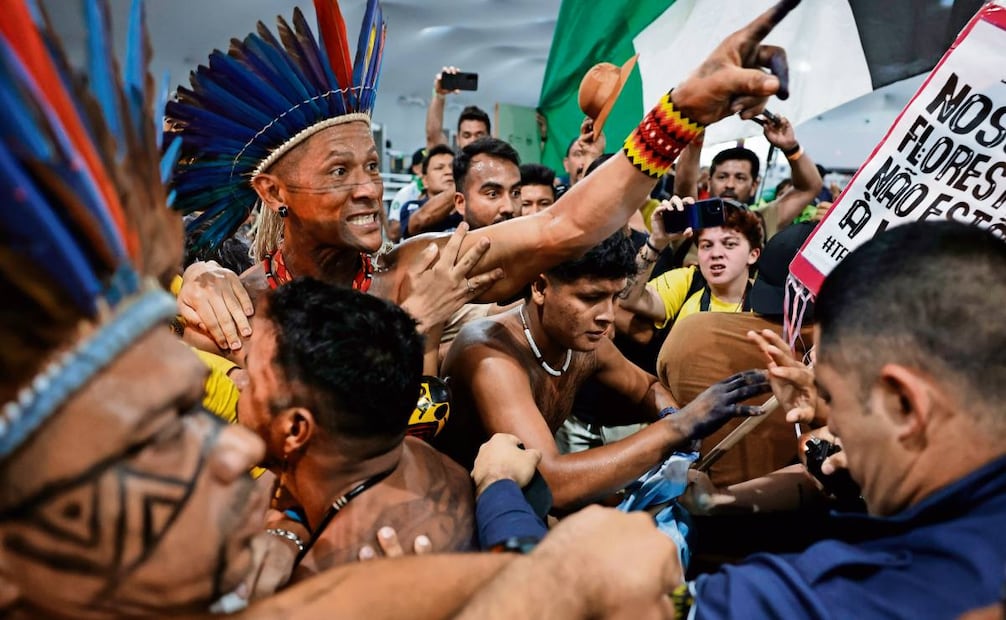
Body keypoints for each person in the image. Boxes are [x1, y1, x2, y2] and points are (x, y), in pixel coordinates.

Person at [0, 1, 808, 618]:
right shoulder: (238, 314)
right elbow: (205, 479)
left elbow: (565, 226)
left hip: (469, 549)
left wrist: (679, 113)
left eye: (370, 165)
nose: (366, 189)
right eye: (340, 170)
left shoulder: (419, 264)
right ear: (273, 190)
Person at [437, 233, 771, 510]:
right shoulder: (491, 355)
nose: (608, 316)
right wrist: (680, 425)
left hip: (518, 508)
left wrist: (672, 417)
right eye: (591, 297)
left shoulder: (581, 341)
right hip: (458, 516)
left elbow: (646, 387)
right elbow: (552, 482)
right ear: (539, 287)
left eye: (614, 297)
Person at [237, 279, 476, 579]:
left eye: (250, 377)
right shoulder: (403, 452)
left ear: (296, 430)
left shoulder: (325, 579)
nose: (239, 383)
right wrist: (291, 530)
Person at [619, 200, 764, 329]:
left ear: (753, 255)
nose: (716, 254)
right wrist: (656, 241)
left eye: (729, 244)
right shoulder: (687, 282)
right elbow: (627, 299)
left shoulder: (767, 301)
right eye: (707, 245)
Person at [394, 145, 459, 241]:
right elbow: (419, 223)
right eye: (439, 168)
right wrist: (461, 183)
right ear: (425, 181)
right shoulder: (411, 206)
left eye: (453, 167)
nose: (449, 172)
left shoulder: (468, 208)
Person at [426, 66, 491, 151]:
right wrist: (439, 94)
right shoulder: (451, 160)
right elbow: (433, 137)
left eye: (479, 136)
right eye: (466, 135)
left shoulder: (500, 159)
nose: (473, 141)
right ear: (458, 139)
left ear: (489, 138)